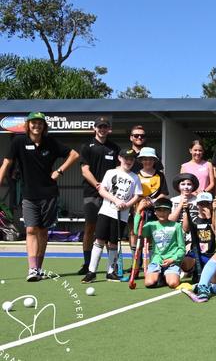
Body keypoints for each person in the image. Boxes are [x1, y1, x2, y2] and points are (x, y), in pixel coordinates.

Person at [0, 112, 79, 281]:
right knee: (30, 229)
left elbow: (74, 154)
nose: (37, 126)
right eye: (34, 123)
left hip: (49, 194)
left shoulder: (50, 142)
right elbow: (6, 163)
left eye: (40, 123)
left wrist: (59, 171)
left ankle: (39, 268)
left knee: (43, 231)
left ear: (44, 126)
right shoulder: (19, 141)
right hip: (29, 194)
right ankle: (32, 268)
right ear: (28, 125)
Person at [81, 148, 142, 283]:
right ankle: (92, 271)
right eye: (126, 158)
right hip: (106, 211)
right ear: (120, 158)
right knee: (99, 240)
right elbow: (102, 190)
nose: (128, 161)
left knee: (113, 242)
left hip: (122, 215)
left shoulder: (135, 177)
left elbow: (137, 195)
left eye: (131, 159)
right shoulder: (111, 172)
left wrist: (127, 204)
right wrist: (115, 200)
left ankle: (111, 272)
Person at [77, 116, 120, 275]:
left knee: (110, 231)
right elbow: (84, 170)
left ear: (109, 129)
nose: (102, 129)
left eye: (105, 127)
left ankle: (112, 267)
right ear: (94, 128)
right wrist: (97, 184)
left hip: (110, 196)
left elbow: (118, 171)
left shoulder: (114, 148)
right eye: (99, 127)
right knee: (90, 227)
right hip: (91, 194)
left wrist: (111, 191)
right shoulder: (87, 147)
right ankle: (87, 264)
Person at [132, 147, 169, 274]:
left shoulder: (160, 175)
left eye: (150, 159)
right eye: (145, 159)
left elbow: (164, 193)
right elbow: (133, 194)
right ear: (141, 160)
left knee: (155, 240)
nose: (147, 162)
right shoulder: (135, 175)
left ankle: (154, 268)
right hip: (139, 210)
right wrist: (141, 203)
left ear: (154, 161)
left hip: (155, 211)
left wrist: (153, 202)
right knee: (139, 239)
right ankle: (135, 269)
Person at [142, 197, 185, 289]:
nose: (162, 213)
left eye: (165, 210)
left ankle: (167, 275)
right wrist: (138, 213)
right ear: (155, 212)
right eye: (159, 210)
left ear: (170, 211)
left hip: (172, 261)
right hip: (157, 260)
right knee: (149, 283)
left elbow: (182, 248)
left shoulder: (176, 226)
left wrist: (173, 259)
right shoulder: (151, 225)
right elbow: (138, 231)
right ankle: (160, 275)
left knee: (173, 284)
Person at [181, 191, 216, 282]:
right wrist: (186, 211)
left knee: (214, 280)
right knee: (184, 261)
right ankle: (192, 271)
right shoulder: (194, 218)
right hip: (196, 253)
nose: (204, 207)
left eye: (207, 204)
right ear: (197, 205)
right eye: (201, 204)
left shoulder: (215, 217)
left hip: (211, 255)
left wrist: (210, 217)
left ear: (211, 205)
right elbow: (185, 229)